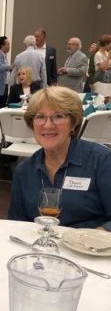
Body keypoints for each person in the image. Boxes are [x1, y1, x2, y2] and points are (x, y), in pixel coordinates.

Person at [8, 86, 111, 228]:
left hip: (89, 247)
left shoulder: (101, 161)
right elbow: (16, 225)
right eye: (40, 117)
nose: (48, 125)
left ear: (73, 123)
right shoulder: (24, 171)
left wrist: (94, 236)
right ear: (32, 124)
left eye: (58, 116)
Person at [0, 36, 12, 108]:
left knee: (4, 105)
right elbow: (0, 66)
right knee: (0, 107)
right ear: (2, 45)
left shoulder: (4, 56)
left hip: (4, 86)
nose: (9, 46)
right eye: (8, 45)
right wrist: (10, 67)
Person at [93, 34, 111, 103]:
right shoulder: (98, 54)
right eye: (110, 44)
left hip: (108, 80)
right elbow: (103, 68)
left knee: (109, 100)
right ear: (106, 44)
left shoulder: (106, 53)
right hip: (100, 81)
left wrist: (107, 66)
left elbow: (107, 66)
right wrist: (109, 57)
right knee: (101, 100)